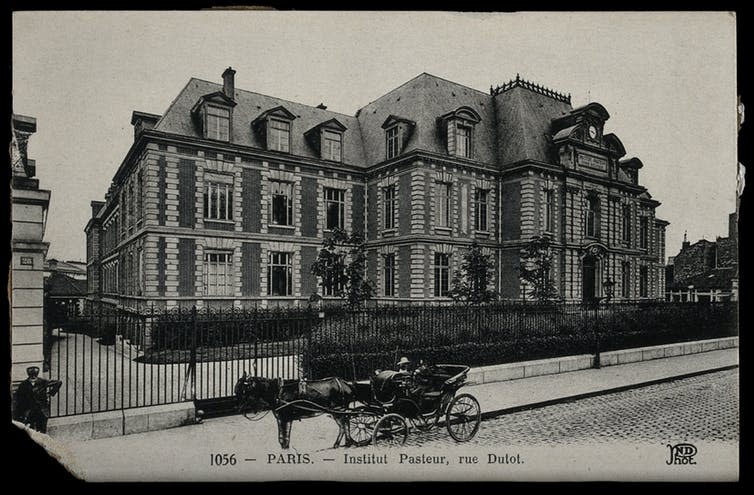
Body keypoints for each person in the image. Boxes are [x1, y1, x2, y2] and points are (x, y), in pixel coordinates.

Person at [13, 366, 62, 433]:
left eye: (35, 375)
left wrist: (50, 394)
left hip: (42, 410)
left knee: (42, 430)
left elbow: (58, 382)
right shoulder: (24, 384)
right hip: (30, 411)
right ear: (29, 375)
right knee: (30, 431)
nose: (33, 378)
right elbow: (20, 399)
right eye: (31, 376)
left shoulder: (42, 382)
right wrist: (22, 413)